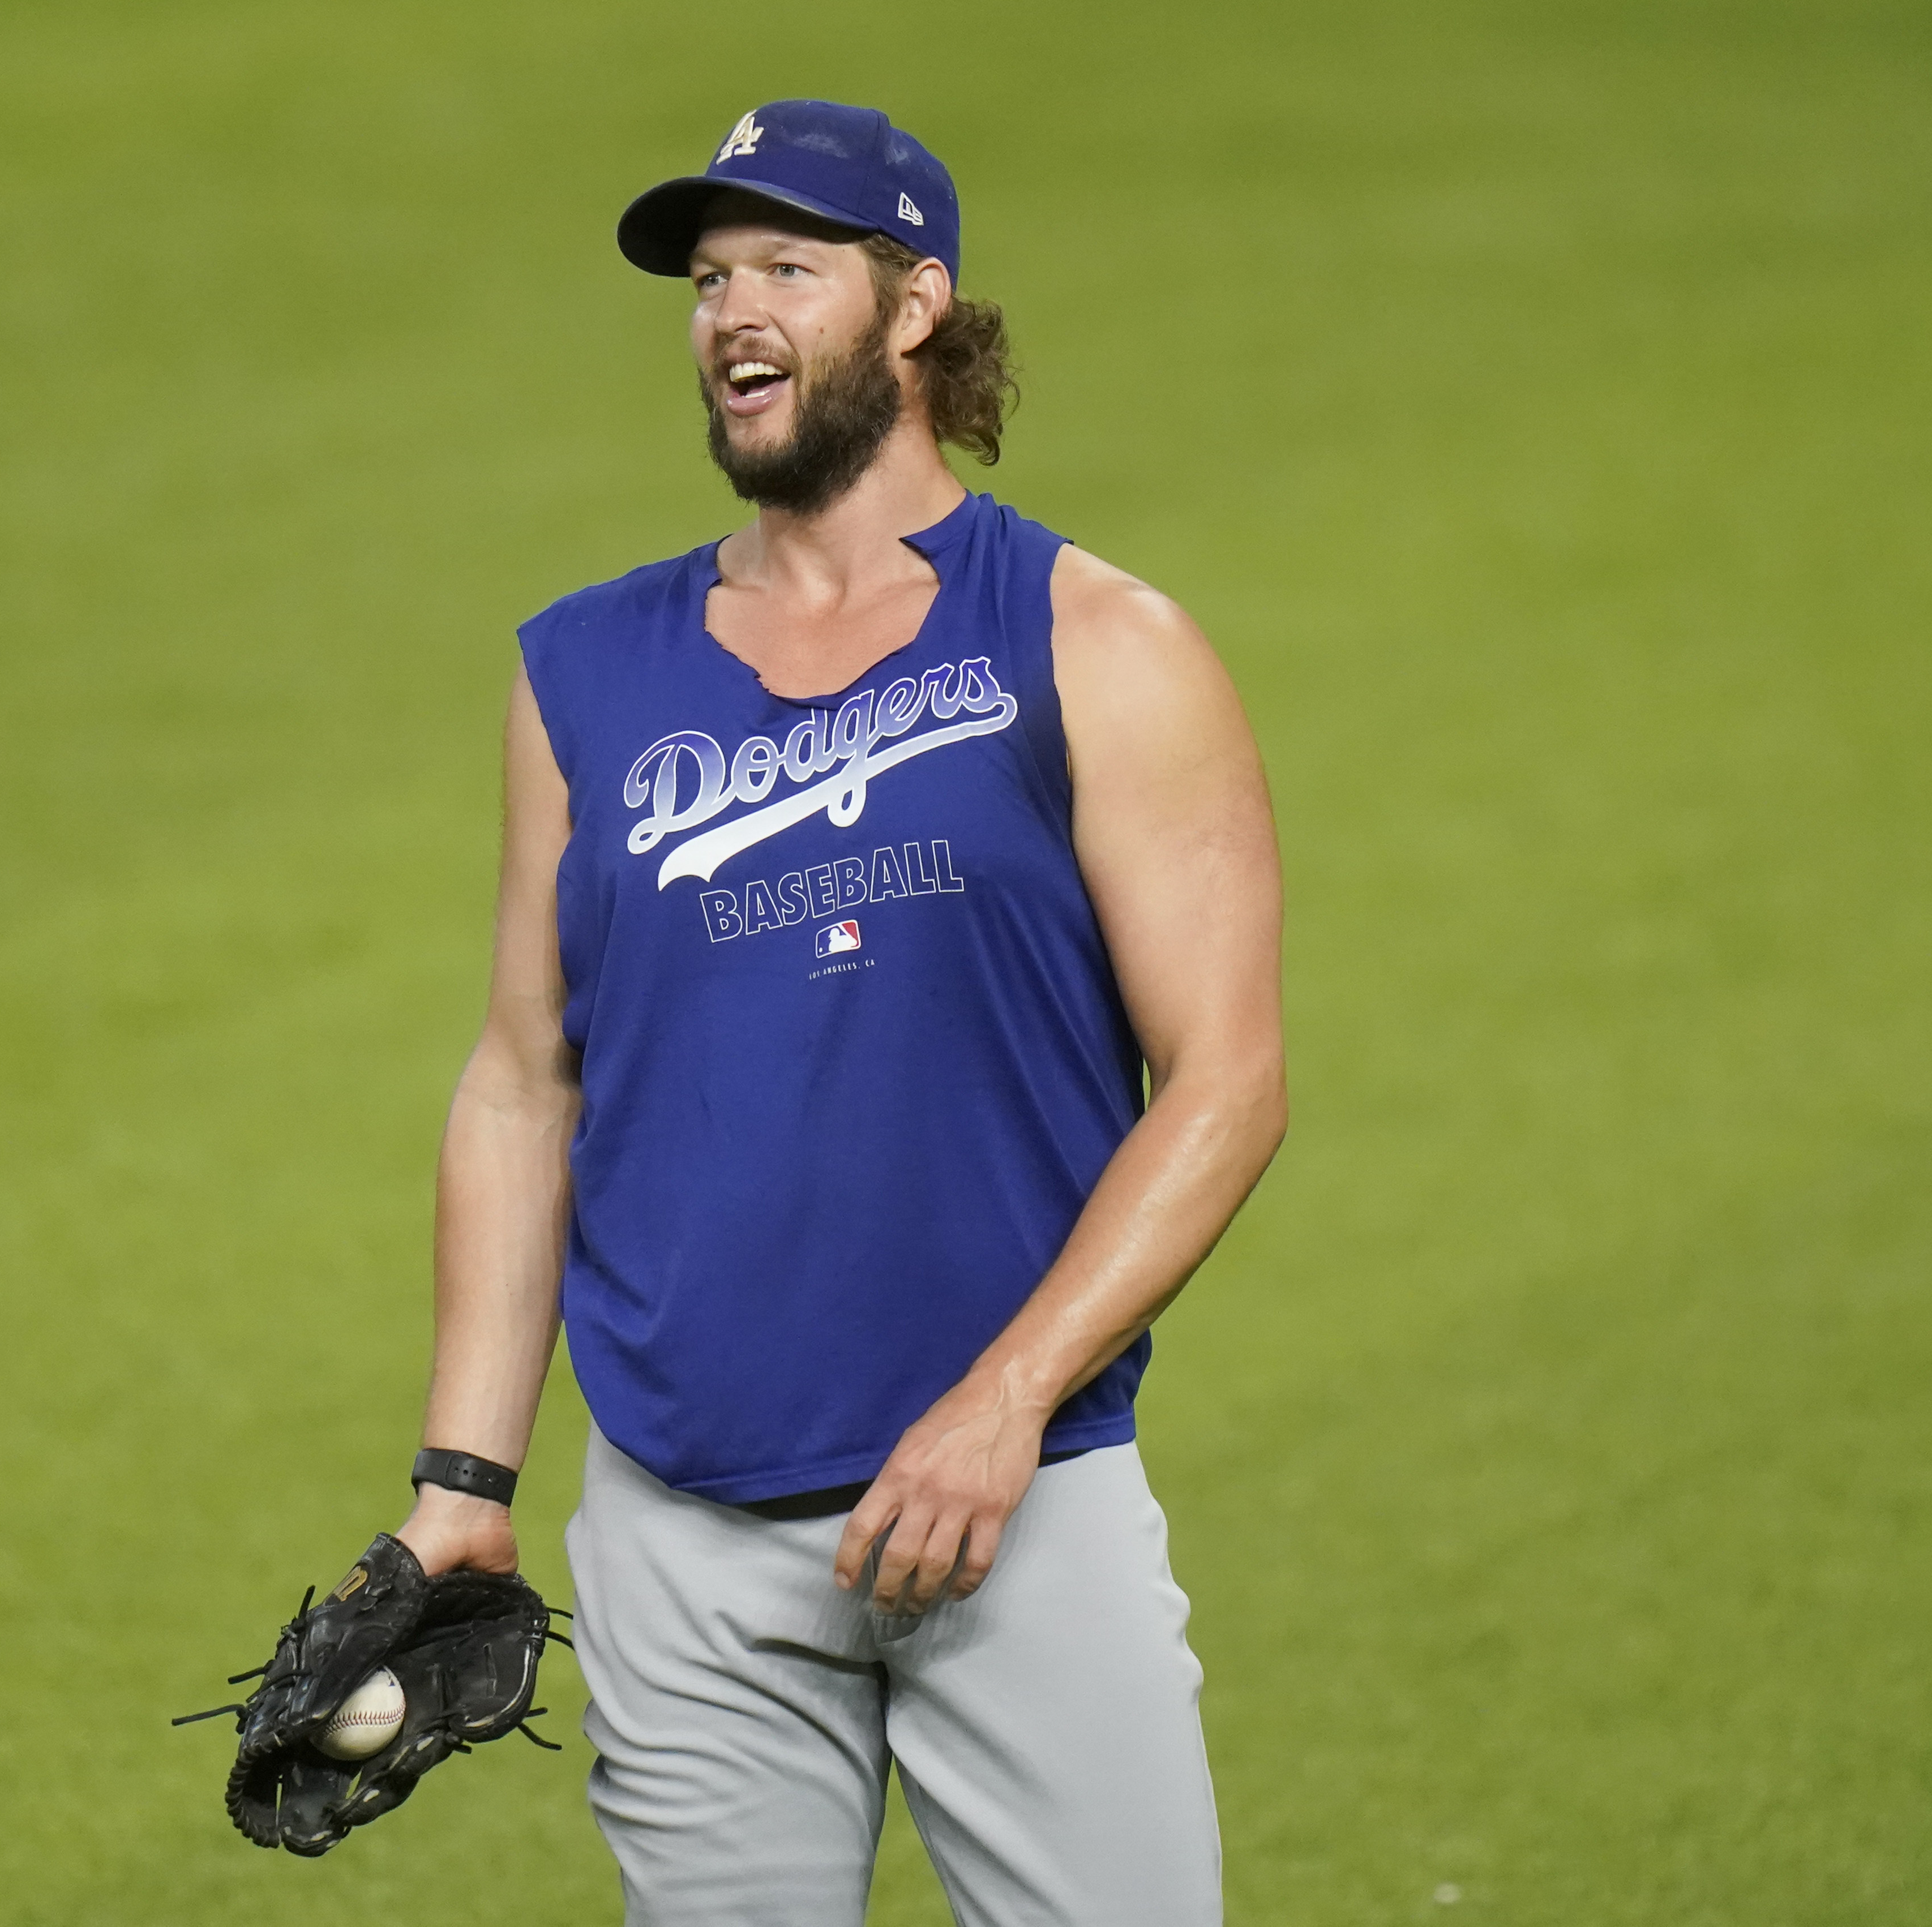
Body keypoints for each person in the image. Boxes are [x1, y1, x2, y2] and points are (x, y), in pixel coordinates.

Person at [388, 100, 1285, 1925]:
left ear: (912, 309)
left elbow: (1228, 1078)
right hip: (685, 1534)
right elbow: (517, 1080)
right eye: (710, 279)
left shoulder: (1094, 643)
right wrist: (461, 1478)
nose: (734, 313)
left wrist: (1004, 1403)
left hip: (1016, 1503)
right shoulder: (581, 672)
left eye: (789, 268)